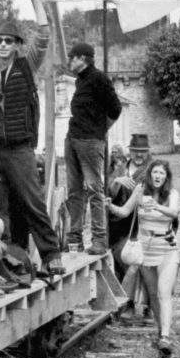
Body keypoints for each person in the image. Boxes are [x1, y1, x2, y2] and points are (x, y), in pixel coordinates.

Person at [0, 8, 65, 275]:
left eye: (8, 41)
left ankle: (51, 254)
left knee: (32, 201)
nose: (3, 45)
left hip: (20, 148)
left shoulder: (26, 66)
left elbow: (44, 35)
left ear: (16, 45)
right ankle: (8, 257)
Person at [106, 160, 180, 358]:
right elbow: (124, 211)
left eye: (161, 173)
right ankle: (162, 329)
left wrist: (156, 206)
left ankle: (165, 336)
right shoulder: (140, 190)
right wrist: (110, 206)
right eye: (155, 172)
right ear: (150, 175)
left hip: (166, 248)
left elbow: (174, 212)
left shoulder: (172, 193)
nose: (158, 176)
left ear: (166, 177)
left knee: (164, 293)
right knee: (154, 294)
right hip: (145, 250)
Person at [64, 42, 122, 257]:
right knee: (74, 191)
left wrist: (100, 130)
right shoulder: (80, 80)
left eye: (71, 57)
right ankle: (74, 238)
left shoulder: (99, 78)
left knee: (94, 190)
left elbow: (115, 108)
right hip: (72, 139)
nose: (69, 61)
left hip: (90, 141)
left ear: (82, 59)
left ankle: (99, 239)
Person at [108, 134, 154, 280]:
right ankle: (123, 286)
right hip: (119, 221)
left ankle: (133, 288)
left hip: (140, 221)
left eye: (143, 151)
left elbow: (155, 199)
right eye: (135, 151)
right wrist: (117, 181)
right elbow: (111, 193)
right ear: (130, 151)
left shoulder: (153, 168)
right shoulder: (122, 168)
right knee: (117, 254)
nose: (139, 154)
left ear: (148, 151)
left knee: (133, 256)